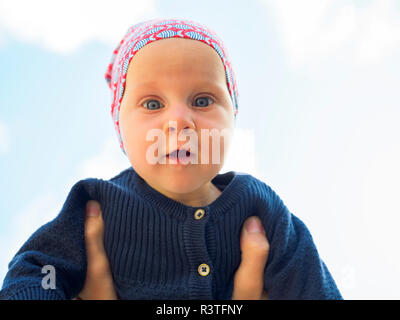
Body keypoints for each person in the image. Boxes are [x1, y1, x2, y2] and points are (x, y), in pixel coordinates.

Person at [0, 18, 342, 300]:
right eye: (152, 104)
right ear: (121, 130)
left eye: (203, 100)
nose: (179, 121)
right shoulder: (97, 204)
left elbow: (313, 287)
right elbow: (37, 270)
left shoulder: (263, 210)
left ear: (233, 118)